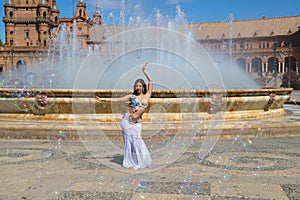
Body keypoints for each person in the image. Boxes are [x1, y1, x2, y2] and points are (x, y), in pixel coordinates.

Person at [95, 62, 152, 169]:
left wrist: (144, 71)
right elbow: (116, 100)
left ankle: (139, 161)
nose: (138, 87)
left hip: (137, 122)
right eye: (136, 86)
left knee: (137, 140)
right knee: (129, 141)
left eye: (140, 85)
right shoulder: (131, 97)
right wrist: (103, 99)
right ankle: (130, 161)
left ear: (143, 87)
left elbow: (151, 81)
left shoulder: (147, 95)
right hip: (127, 121)